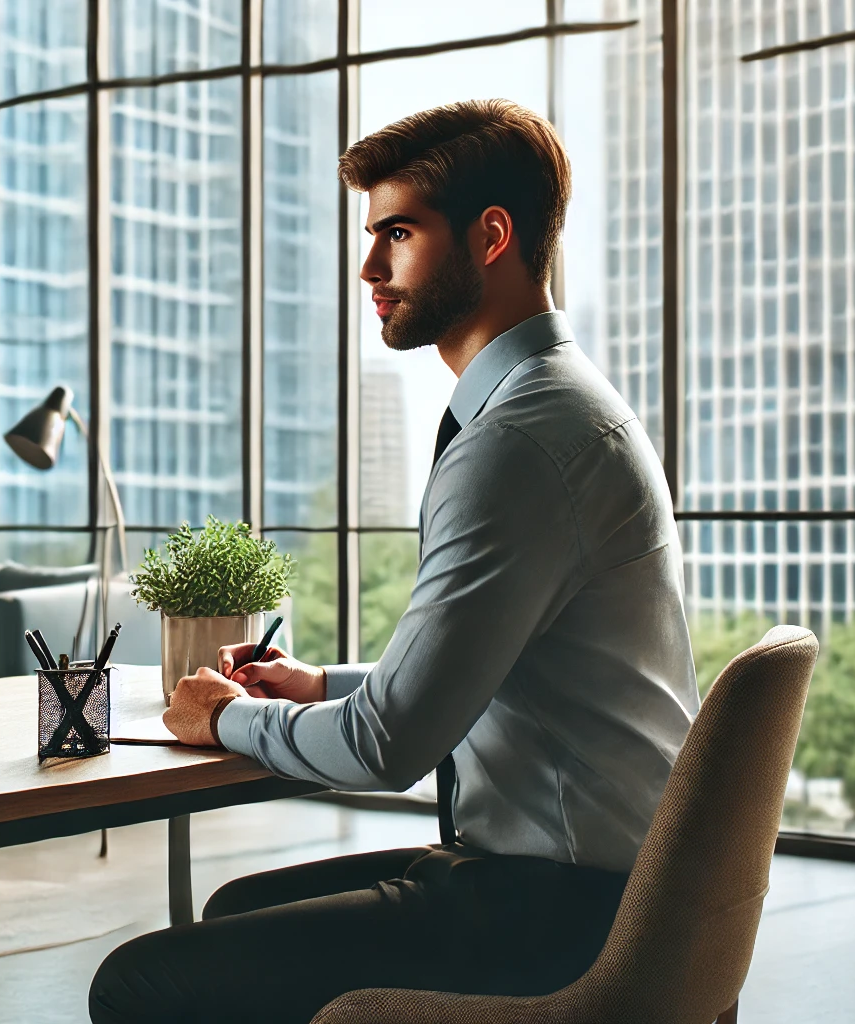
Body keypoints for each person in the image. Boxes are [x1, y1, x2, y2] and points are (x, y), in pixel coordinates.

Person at [89, 100, 700, 1023]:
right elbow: (498, 674)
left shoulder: (521, 442)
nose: (369, 266)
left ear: (491, 236)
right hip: (610, 877)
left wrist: (224, 718)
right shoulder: (559, 406)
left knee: (138, 983)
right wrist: (316, 683)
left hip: (562, 907)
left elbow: (386, 746)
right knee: (237, 911)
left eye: (398, 233)